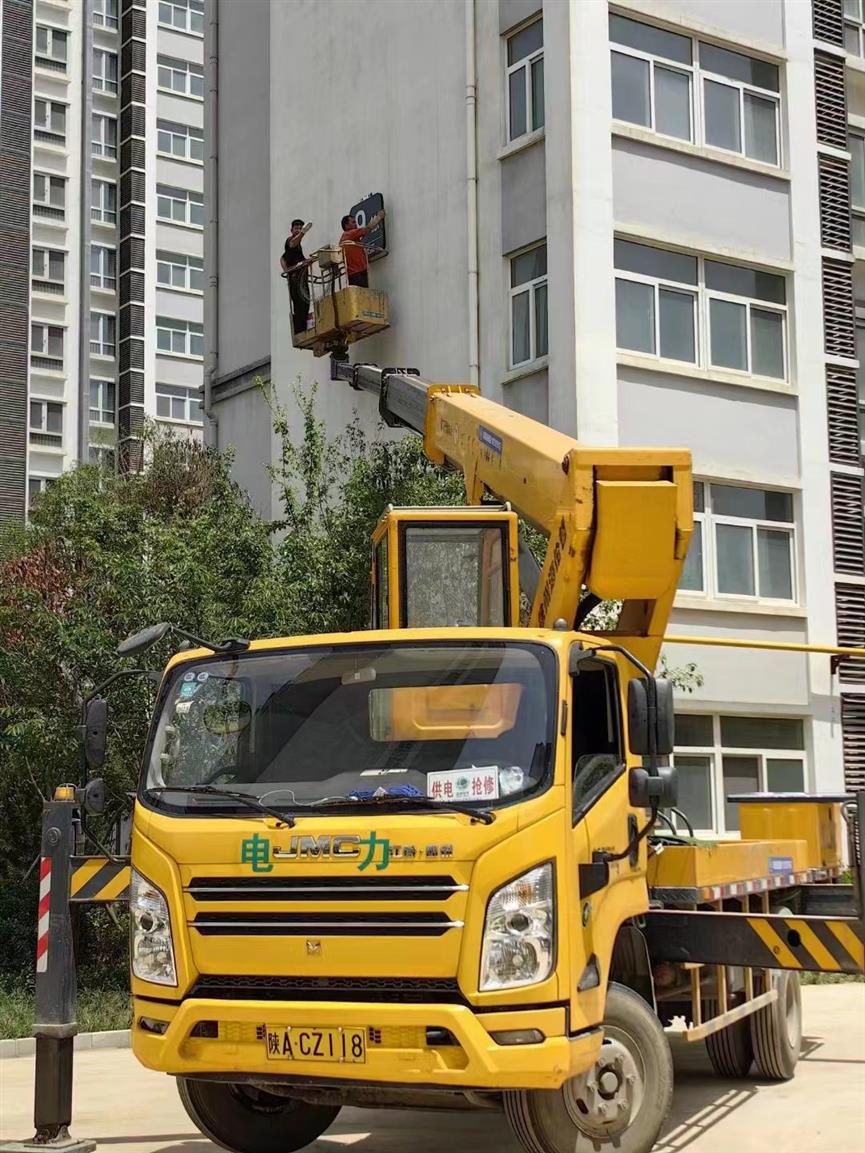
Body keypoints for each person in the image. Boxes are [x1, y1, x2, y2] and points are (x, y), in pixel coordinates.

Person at [280, 218, 312, 335]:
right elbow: (293, 243)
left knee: (305, 303)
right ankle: (299, 331)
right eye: (296, 228)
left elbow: (282, 258)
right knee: (299, 305)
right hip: (295, 280)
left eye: (300, 228)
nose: (298, 230)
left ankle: (303, 329)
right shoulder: (290, 241)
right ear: (291, 230)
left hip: (301, 280)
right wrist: (303, 232)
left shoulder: (297, 249)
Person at [339, 208, 385, 288]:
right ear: (346, 226)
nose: (356, 225)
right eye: (353, 222)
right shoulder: (349, 234)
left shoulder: (351, 238)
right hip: (357, 273)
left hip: (356, 273)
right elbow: (367, 229)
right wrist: (379, 217)